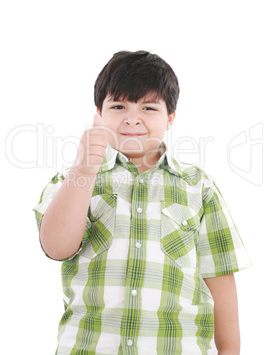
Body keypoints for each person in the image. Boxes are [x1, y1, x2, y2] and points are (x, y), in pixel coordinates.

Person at [33, 50, 251, 354]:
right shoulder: (73, 181)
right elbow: (56, 247)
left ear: (170, 117)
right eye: (118, 105)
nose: (132, 118)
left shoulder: (197, 186)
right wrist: (83, 169)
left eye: (149, 108)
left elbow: (220, 278)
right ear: (99, 114)